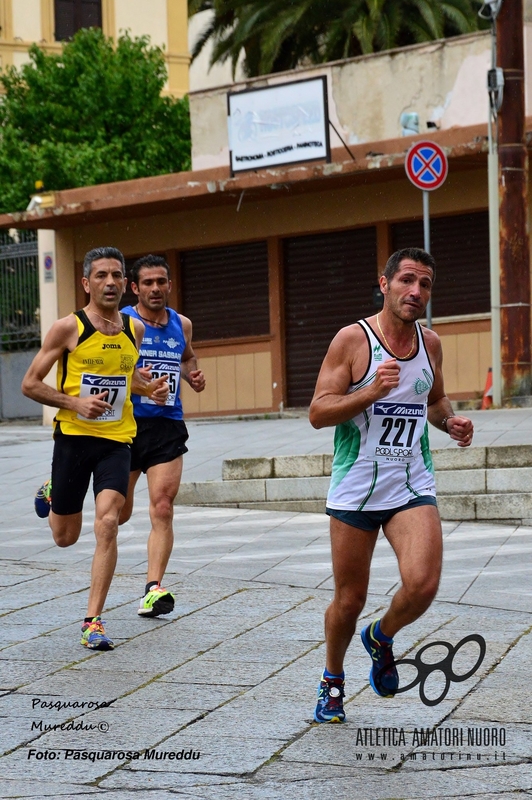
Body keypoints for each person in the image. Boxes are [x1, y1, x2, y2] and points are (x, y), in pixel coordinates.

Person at [309, 247, 474, 723]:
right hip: (356, 488)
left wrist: (452, 422)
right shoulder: (353, 340)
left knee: (422, 585)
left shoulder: (431, 343)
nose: (415, 291)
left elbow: (435, 399)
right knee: (349, 598)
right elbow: (319, 412)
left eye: (424, 284)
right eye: (406, 280)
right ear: (384, 284)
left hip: (410, 484)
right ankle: (332, 681)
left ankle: (380, 636)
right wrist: (371, 392)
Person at [22, 247, 169, 651]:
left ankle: (93, 621)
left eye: (117, 275)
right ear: (87, 283)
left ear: (125, 283)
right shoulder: (67, 328)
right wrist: (74, 402)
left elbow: (127, 377)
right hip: (72, 439)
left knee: (108, 522)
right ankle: (53, 491)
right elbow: (30, 384)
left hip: (116, 441)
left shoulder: (132, 329)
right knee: (65, 537)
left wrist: (148, 388)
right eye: (101, 275)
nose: (110, 282)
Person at [119, 255, 205, 618]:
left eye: (161, 282)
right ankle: (60, 483)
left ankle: (153, 589)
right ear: (135, 288)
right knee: (118, 513)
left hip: (167, 424)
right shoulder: (122, 323)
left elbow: (187, 357)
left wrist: (192, 375)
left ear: (169, 285)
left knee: (163, 507)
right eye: (148, 283)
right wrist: (139, 385)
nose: (156, 289)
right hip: (126, 425)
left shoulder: (182, 324)